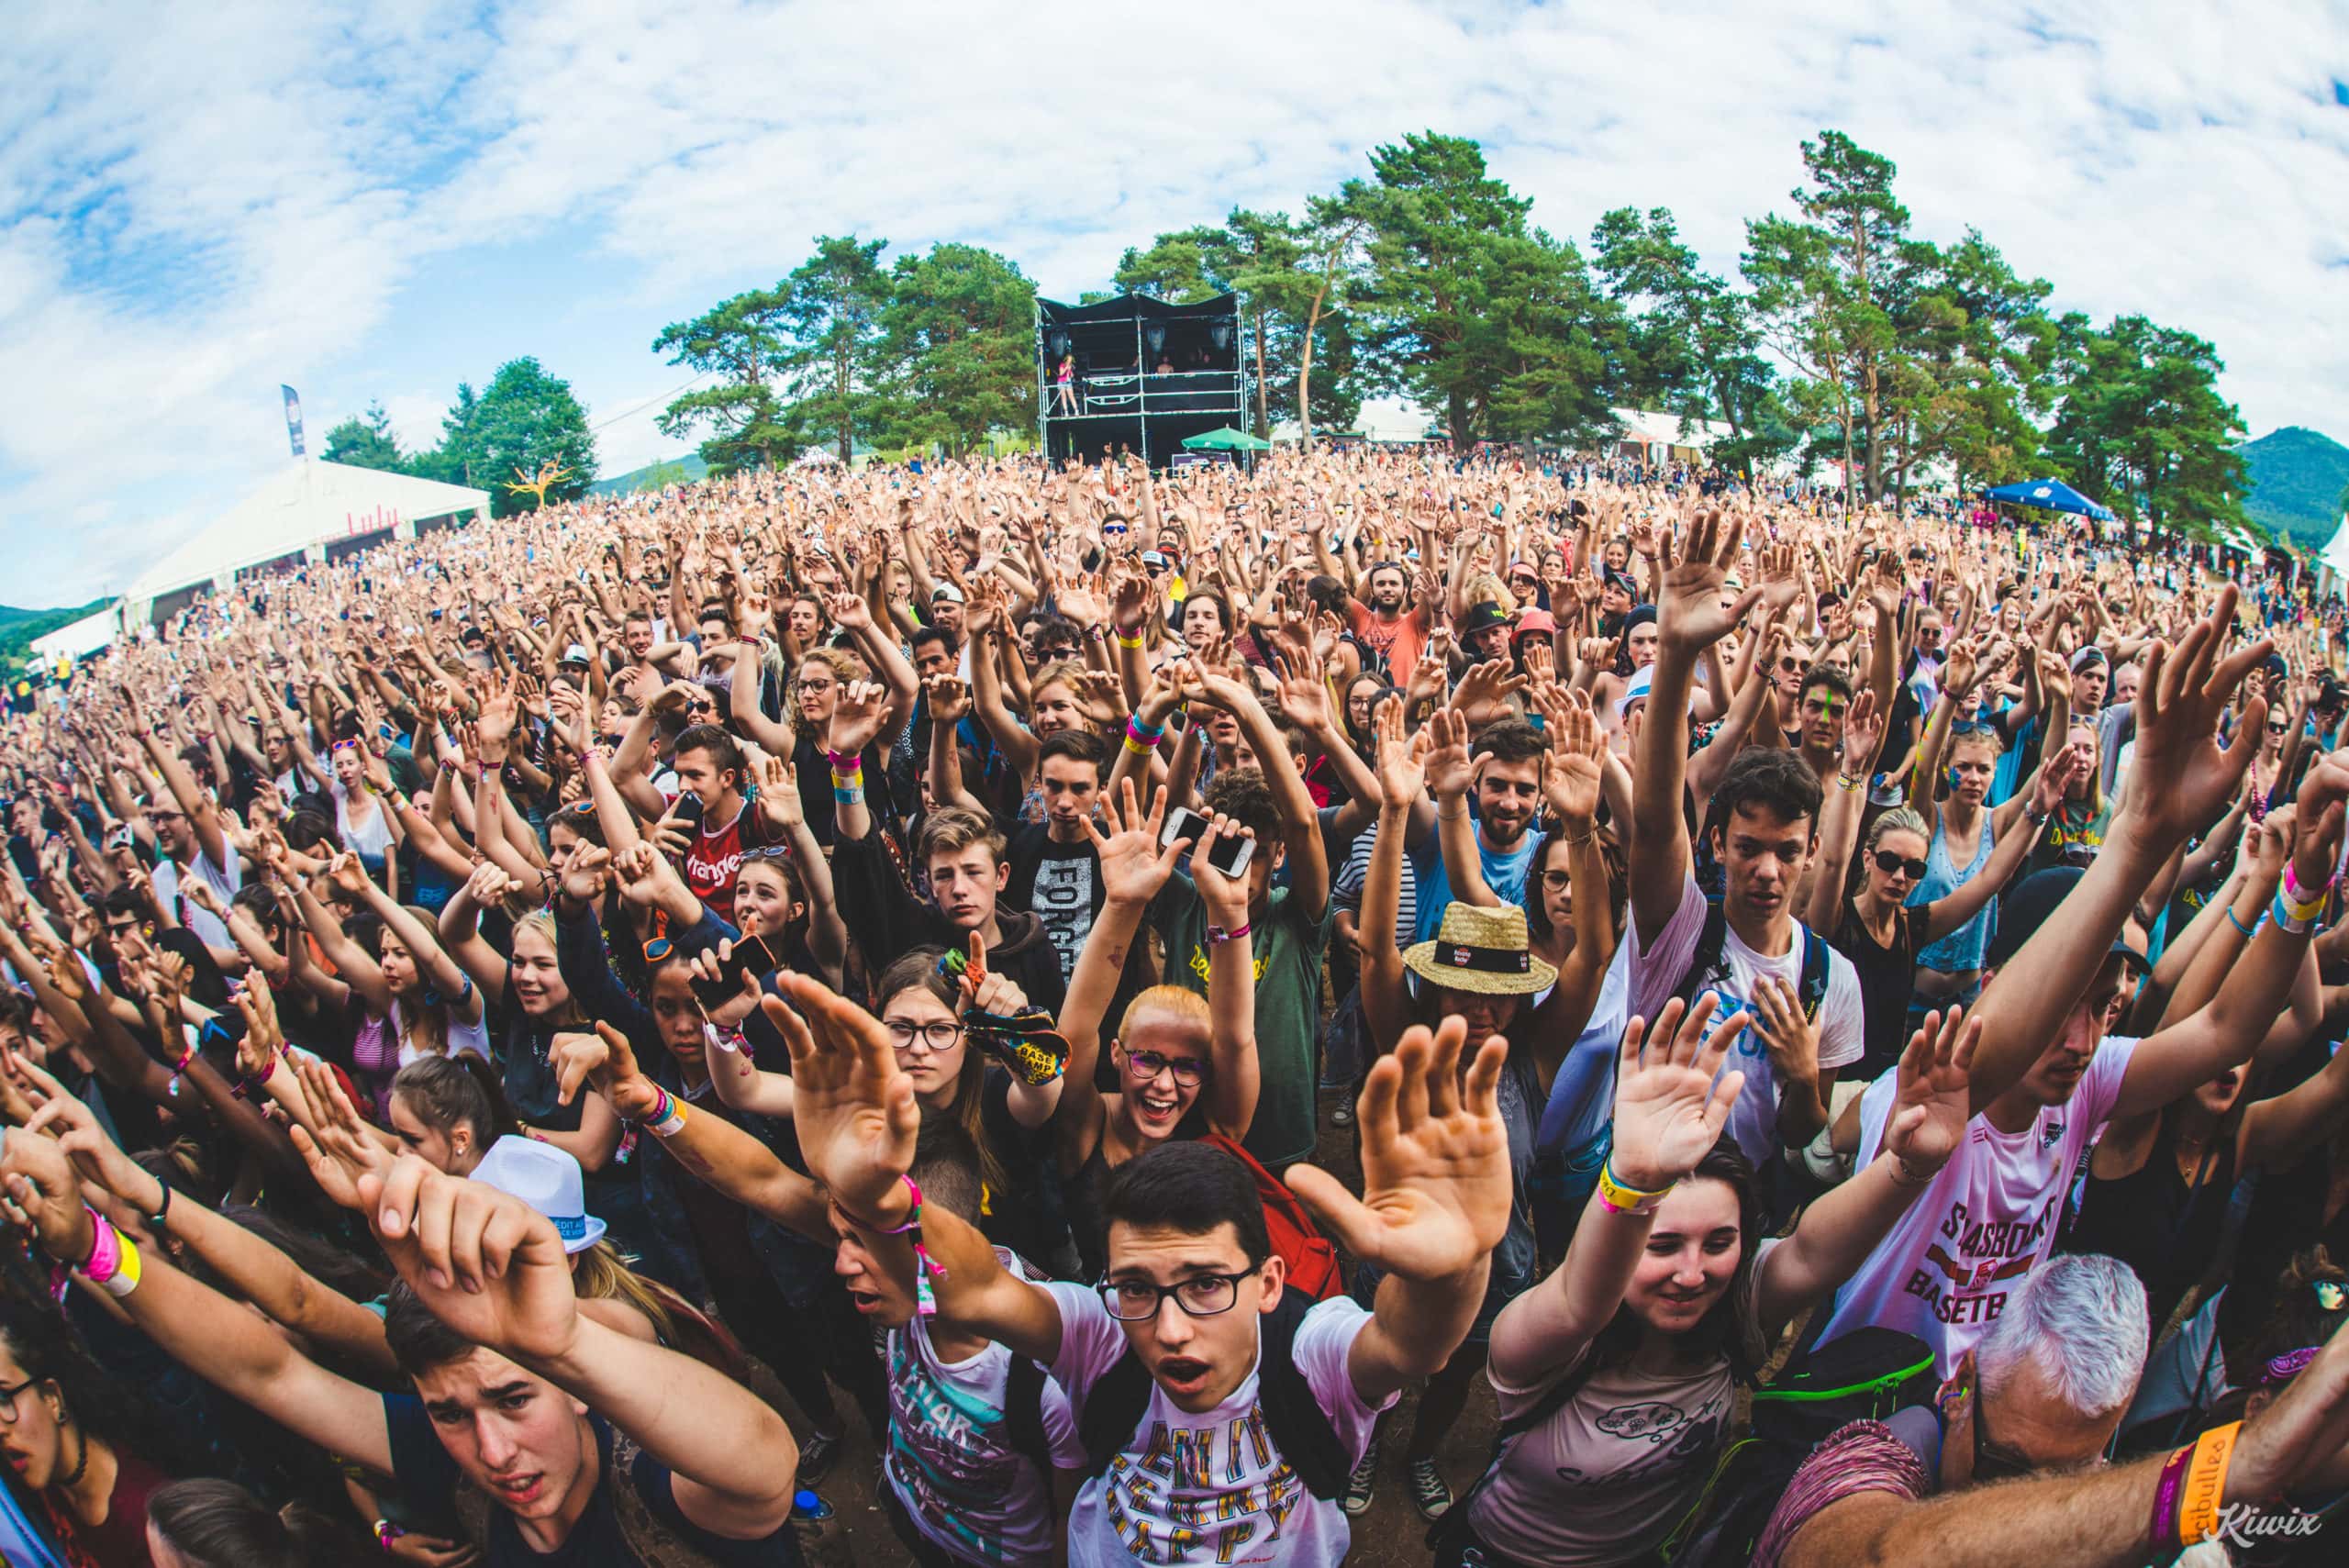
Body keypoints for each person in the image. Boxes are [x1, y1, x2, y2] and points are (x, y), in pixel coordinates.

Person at [777, 958, 1511, 1568]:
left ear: (1268, 1281)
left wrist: (1456, 1265)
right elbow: (976, 1287)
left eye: (1203, 1285)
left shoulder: (1308, 1355)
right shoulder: (1100, 1335)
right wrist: (879, 1198)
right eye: (1135, 1286)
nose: (1170, 1330)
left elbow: (1412, 1341)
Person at [0, 1128, 804, 1567]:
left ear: (576, 1385)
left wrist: (559, 1340)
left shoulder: (655, 1483)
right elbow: (270, 1367)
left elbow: (767, 1464)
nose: (492, 1451)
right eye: (448, 1412)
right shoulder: (450, 1460)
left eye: (514, 1397)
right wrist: (98, 1246)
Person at [1436, 997, 1977, 1568]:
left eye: (1719, 1243)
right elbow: (1580, 1303)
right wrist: (1633, 1181)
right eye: (1663, 1246)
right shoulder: (1540, 1341)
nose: (1693, 1275)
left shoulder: (1738, 1303)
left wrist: (1907, 1167)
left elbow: (1814, 1254)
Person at [1627, 509, 1864, 1175]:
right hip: (1653, 1192)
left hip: (1746, 1214)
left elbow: (1805, 1136)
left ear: (1812, 852)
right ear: (1718, 844)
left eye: (1787, 851)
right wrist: (1673, 651)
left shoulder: (1830, 980)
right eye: (1748, 846)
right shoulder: (1679, 928)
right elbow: (1654, 820)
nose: (1766, 870)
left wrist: (1801, 1071)